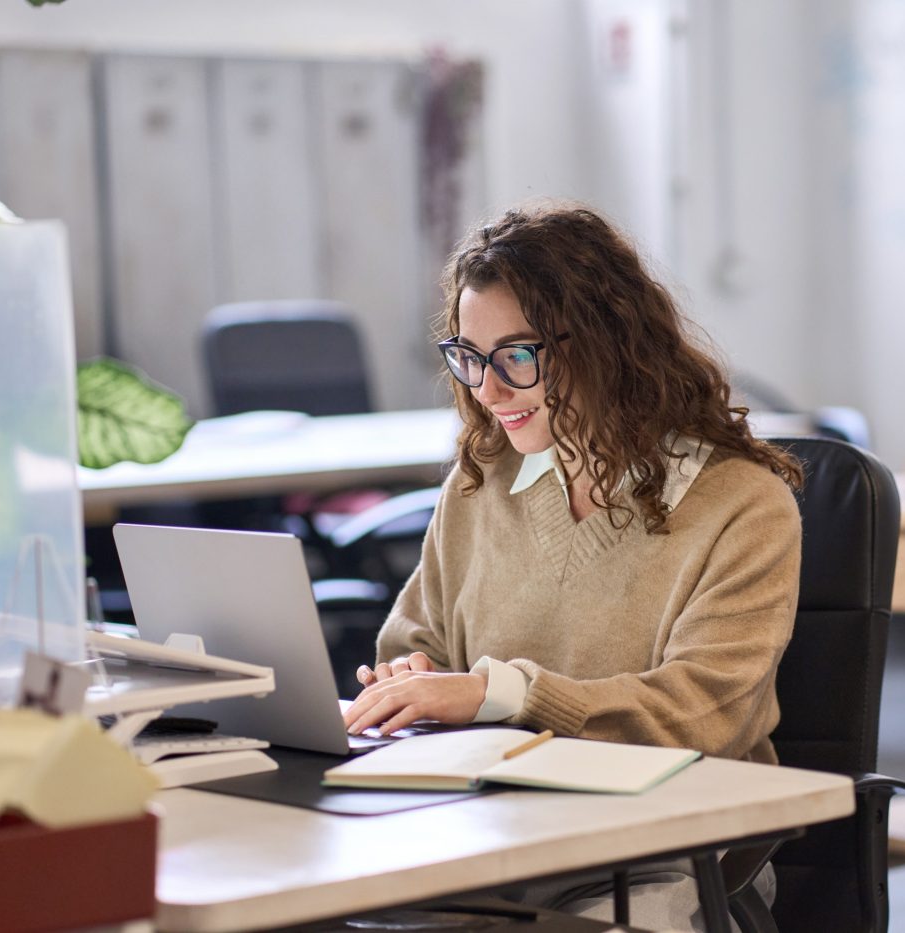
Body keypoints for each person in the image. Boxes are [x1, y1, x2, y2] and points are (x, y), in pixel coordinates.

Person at [344, 202, 803, 930]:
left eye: (516, 356)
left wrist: (500, 692)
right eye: (468, 356)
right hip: (491, 832)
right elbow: (413, 642)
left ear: (605, 343)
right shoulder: (480, 480)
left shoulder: (742, 505)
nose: (487, 391)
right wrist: (413, 680)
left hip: (664, 852)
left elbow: (702, 713)